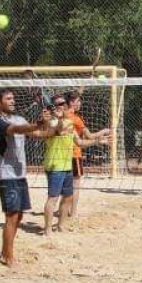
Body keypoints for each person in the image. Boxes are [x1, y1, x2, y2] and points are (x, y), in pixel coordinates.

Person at [0, 89, 52, 266]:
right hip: (5, 175)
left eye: (13, 98)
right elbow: (15, 130)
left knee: (19, 217)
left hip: (20, 174)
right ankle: (8, 256)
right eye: (8, 99)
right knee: (12, 215)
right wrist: (39, 123)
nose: (12, 101)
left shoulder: (20, 118)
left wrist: (53, 126)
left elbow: (41, 134)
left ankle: (5, 251)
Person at [42, 94, 98, 235]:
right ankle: (47, 230)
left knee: (68, 198)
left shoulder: (70, 123)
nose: (61, 106)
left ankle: (61, 226)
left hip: (67, 165)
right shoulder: (51, 122)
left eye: (62, 104)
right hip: (54, 166)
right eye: (58, 104)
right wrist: (60, 117)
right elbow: (59, 129)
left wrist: (98, 141)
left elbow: (80, 143)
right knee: (53, 198)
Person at [64, 90, 111, 217]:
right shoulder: (76, 119)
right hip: (75, 153)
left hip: (62, 154)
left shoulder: (62, 115)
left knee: (66, 184)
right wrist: (104, 131)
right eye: (78, 101)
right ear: (72, 102)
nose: (81, 103)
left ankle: (63, 210)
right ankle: (73, 212)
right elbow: (90, 135)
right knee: (76, 185)